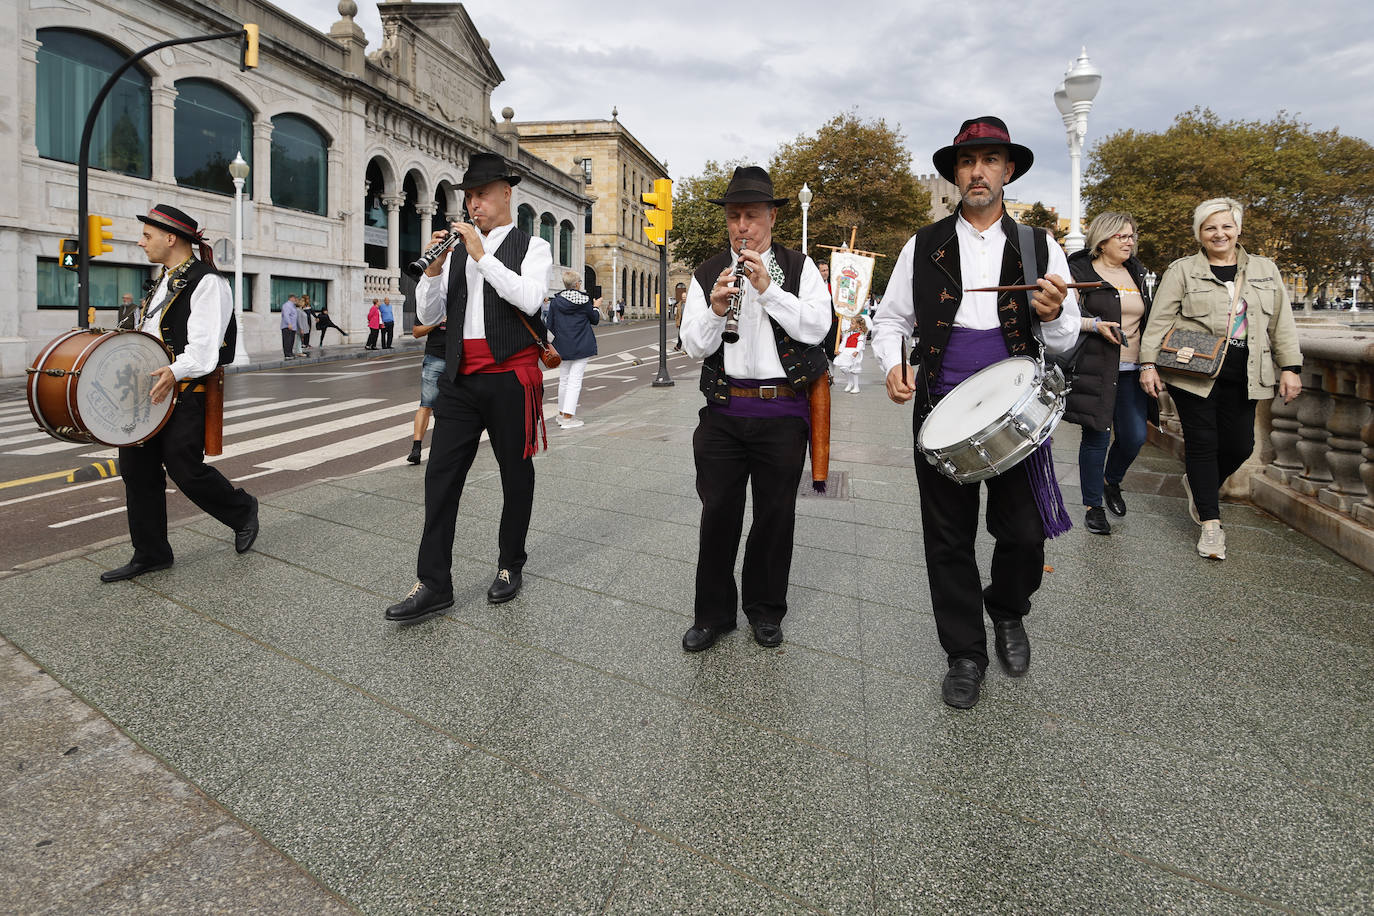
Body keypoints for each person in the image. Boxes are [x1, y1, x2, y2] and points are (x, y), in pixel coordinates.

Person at [871, 116, 1080, 709]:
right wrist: (892, 363)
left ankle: (1008, 609)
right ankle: (965, 652)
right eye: (968, 162)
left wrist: (1053, 314)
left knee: (1023, 533)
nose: (978, 171)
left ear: (1008, 170)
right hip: (941, 401)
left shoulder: (1041, 245)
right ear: (956, 174)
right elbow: (892, 320)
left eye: (990, 160)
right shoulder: (923, 244)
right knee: (947, 539)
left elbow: (1063, 342)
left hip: (1018, 408)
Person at [384, 152, 553, 622]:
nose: (474, 204)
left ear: (506, 194)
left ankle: (509, 564)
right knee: (440, 480)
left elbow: (530, 298)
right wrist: (435, 271)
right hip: (459, 379)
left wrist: (481, 255)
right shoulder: (455, 249)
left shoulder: (532, 246)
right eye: (469, 197)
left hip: (510, 378)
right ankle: (434, 583)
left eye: (482, 194)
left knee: (515, 476)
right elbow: (428, 314)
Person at [677, 166, 832, 652]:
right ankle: (712, 614)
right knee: (717, 513)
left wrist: (768, 291)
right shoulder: (707, 272)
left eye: (751, 216)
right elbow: (693, 347)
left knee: (775, 516)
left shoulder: (800, 267)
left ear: (771, 217)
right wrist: (716, 308)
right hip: (724, 411)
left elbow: (816, 328)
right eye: (734, 216)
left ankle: (765, 611)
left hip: (782, 411)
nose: (741, 226)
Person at [100, 204, 259, 582]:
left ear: (171, 238)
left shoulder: (208, 283)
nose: (141, 242)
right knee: (136, 470)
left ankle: (242, 509)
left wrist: (171, 371)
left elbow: (204, 353)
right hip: (149, 391)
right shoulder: (163, 279)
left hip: (185, 389)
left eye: (147, 236)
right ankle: (151, 553)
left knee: (184, 468)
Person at [1139, 197, 1302, 561]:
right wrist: (1147, 364)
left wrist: (1290, 367)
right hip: (1193, 371)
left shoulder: (1265, 269)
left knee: (1240, 446)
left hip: (1247, 372)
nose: (1219, 233)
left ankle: (1200, 486)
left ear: (1238, 229)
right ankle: (1211, 526)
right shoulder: (1181, 270)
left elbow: (1281, 323)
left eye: (1226, 226)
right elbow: (1159, 321)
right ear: (1200, 232)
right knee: (1202, 443)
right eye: (1211, 227)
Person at [1065, 212, 1155, 536]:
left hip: (1132, 369)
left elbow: (1150, 321)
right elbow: (1064, 318)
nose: (1130, 242)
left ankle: (1110, 480)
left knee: (1134, 437)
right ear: (1102, 241)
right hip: (1095, 367)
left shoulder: (1137, 272)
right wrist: (1094, 324)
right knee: (1097, 435)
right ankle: (1093, 506)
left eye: (1132, 236)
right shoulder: (1079, 270)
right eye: (1122, 237)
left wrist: (1150, 363)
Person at [547, 269, 600, 429]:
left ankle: (562, 414)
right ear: (577, 284)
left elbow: (550, 325)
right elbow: (595, 320)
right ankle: (568, 418)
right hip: (582, 344)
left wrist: (550, 345)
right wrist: (596, 307)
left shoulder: (555, 302)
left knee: (564, 380)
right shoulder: (584, 301)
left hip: (562, 346)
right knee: (575, 381)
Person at [407, 318, 446, 464]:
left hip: (460, 359)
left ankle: (442, 450)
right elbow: (416, 332)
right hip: (435, 358)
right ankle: (416, 448)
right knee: (426, 404)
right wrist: (436, 322)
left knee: (453, 408)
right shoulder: (431, 306)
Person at [834, 314, 867, 393]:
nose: (850, 324)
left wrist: (857, 351)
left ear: (858, 325)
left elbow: (860, 343)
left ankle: (856, 386)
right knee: (843, 367)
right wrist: (840, 350)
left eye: (852, 323)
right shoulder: (848, 333)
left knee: (854, 369)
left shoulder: (861, 334)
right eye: (851, 323)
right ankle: (850, 382)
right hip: (846, 351)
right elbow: (843, 342)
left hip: (854, 352)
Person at [279, 293, 299, 359]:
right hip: (287, 326)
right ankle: (287, 354)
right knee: (287, 340)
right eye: (295, 298)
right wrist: (289, 323)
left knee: (291, 340)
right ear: (291, 298)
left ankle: (290, 353)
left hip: (293, 327)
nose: (296, 299)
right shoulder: (287, 305)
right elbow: (286, 315)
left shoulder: (293, 306)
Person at [672, 282, 687, 351]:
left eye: (685, 297)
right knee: (680, 335)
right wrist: (677, 322)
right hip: (681, 321)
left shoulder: (689, 304)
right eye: (683, 297)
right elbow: (677, 314)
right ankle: (678, 346)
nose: (684, 298)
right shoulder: (679, 304)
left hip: (688, 322)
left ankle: (687, 347)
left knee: (687, 335)